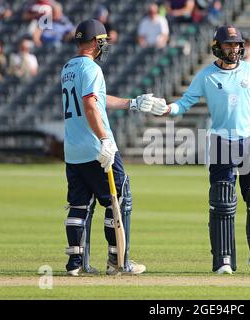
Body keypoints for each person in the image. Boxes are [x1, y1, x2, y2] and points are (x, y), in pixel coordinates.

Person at [148, 26, 250, 274]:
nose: (234, 49)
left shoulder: (249, 70)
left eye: (237, 44)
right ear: (217, 47)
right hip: (221, 142)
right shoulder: (206, 76)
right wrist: (165, 109)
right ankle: (224, 259)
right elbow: (184, 103)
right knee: (222, 200)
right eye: (228, 45)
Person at [61, 19, 158, 276]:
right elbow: (91, 105)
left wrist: (132, 103)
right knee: (119, 200)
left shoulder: (68, 68)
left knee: (79, 205)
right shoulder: (91, 69)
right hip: (97, 148)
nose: (104, 46)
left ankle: (75, 264)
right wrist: (104, 139)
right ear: (94, 43)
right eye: (102, 41)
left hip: (73, 149)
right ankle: (118, 262)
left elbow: (99, 100)